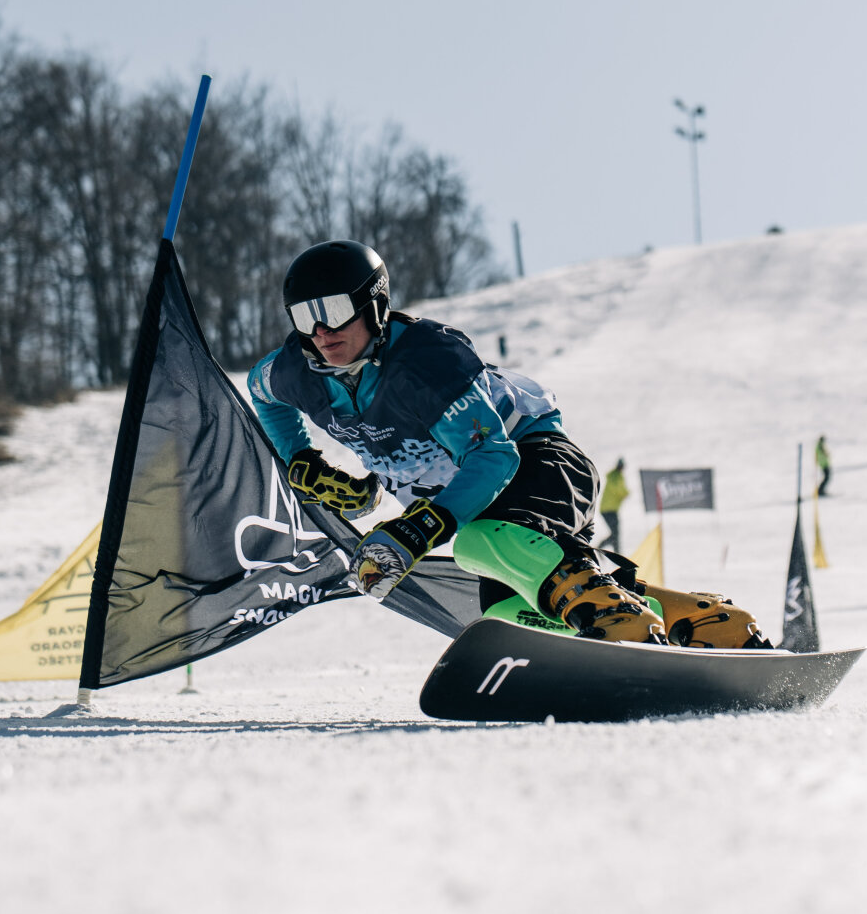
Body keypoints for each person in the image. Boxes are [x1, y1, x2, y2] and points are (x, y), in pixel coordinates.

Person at [248, 240, 772, 648]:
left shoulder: (427, 365)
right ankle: (706, 622)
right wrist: (300, 456)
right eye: (303, 314)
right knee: (509, 617)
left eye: (335, 309)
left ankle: (624, 627)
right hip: (483, 508)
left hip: (538, 463)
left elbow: (494, 457)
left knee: (481, 543)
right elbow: (259, 390)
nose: (319, 330)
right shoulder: (299, 369)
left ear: (374, 305)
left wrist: (419, 528)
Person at [599, 458, 628, 552]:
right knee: (615, 533)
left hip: (607, 509)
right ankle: (612, 551)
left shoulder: (613, 476)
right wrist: (625, 493)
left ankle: (611, 550)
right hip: (609, 509)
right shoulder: (617, 477)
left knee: (615, 533)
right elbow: (618, 490)